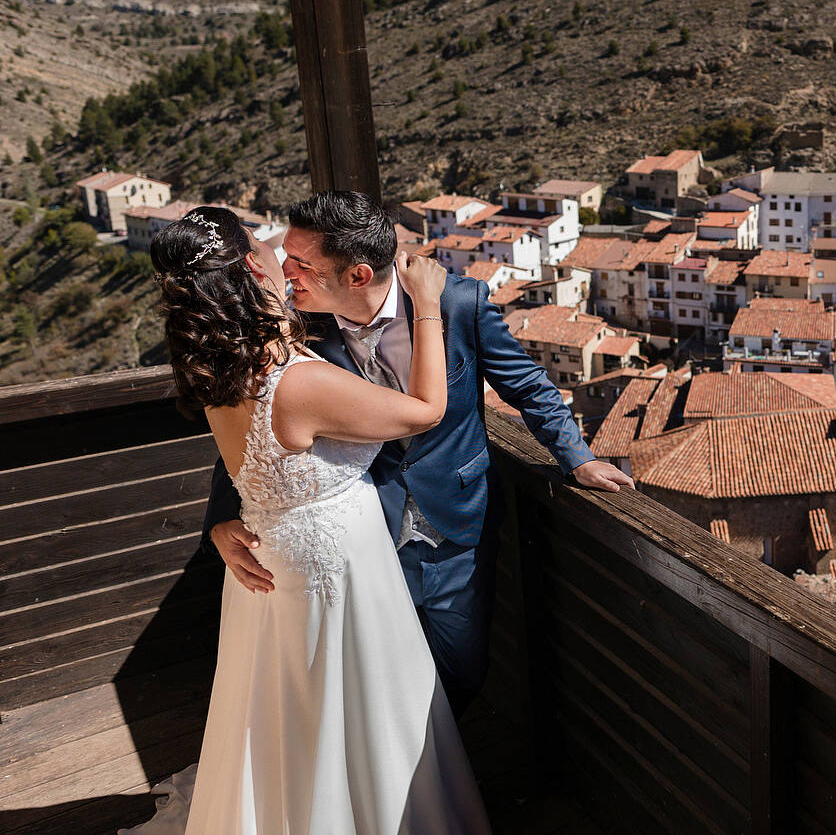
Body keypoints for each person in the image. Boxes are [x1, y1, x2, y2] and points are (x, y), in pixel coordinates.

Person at [204, 190, 634, 714]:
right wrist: (223, 515)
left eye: (300, 261)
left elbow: (527, 385)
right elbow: (255, 424)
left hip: (459, 531)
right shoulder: (300, 325)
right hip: (363, 538)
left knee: (463, 672)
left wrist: (578, 457)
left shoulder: (458, 303)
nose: (284, 271)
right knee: (379, 680)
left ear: (357, 275)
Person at [133, 206, 487, 833]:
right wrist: (427, 303)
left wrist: (223, 521)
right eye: (268, 247)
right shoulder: (298, 381)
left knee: (287, 711)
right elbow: (427, 409)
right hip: (335, 563)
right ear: (250, 266)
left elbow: (246, 463)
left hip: (273, 558)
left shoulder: (220, 367)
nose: (281, 258)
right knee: (355, 706)